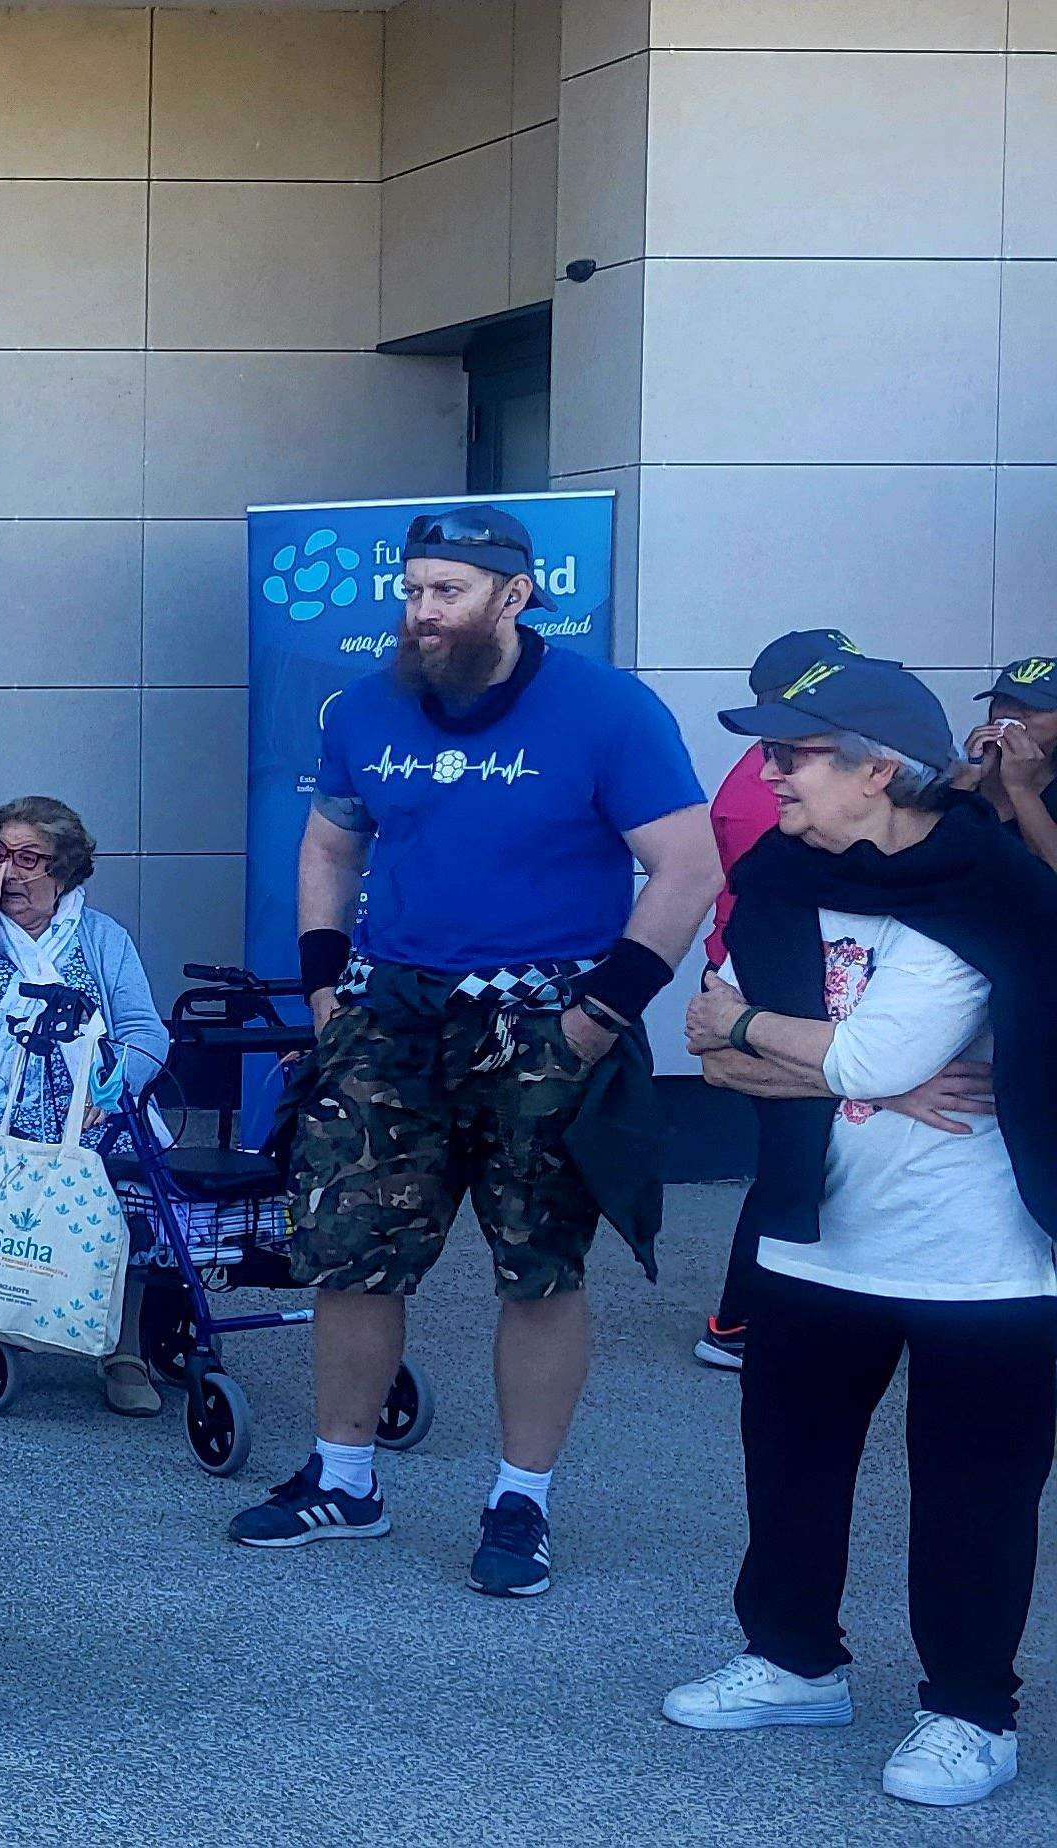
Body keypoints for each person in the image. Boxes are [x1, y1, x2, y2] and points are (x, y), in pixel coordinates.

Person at [235, 502, 722, 1601]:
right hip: (389, 1012)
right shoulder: (364, 710)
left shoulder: (606, 711)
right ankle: (343, 1479)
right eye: (410, 592)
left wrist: (599, 1016)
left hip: (544, 1013)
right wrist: (322, 987)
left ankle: (520, 1501)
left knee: (537, 1266)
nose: (419, 614)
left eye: (444, 592)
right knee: (350, 1246)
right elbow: (329, 843)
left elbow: (687, 869)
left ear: (513, 595)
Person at [665, 655, 1057, 1809]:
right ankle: (793, 1661)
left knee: (971, 1494)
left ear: (877, 770)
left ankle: (972, 1715)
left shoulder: (984, 884)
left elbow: (833, 1046)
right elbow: (712, 1052)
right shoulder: (783, 874)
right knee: (789, 1467)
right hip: (812, 1231)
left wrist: (780, 1035)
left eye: (793, 755)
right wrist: (863, 1079)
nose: (768, 776)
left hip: (981, 1257)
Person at [690, 630, 897, 1374]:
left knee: (809, 1144)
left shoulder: (782, 768)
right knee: (797, 1154)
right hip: (767, 976)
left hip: (779, 978)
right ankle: (740, 1322)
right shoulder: (769, 787)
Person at [0, 795, 172, 1415]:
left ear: (64, 869)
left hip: (84, 1102)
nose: (9, 871)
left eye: (29, 859)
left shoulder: (99, 936)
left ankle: (123, 1349)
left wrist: (114, 1085)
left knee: (130, 1180)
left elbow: (145, 1029)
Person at [955, 654, 1056, 872]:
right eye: (1004, 701)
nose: (1011, 713)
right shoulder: (971, 771)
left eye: (1032, 706)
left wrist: (1020, 789)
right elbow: (925, 851)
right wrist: (966, 778)